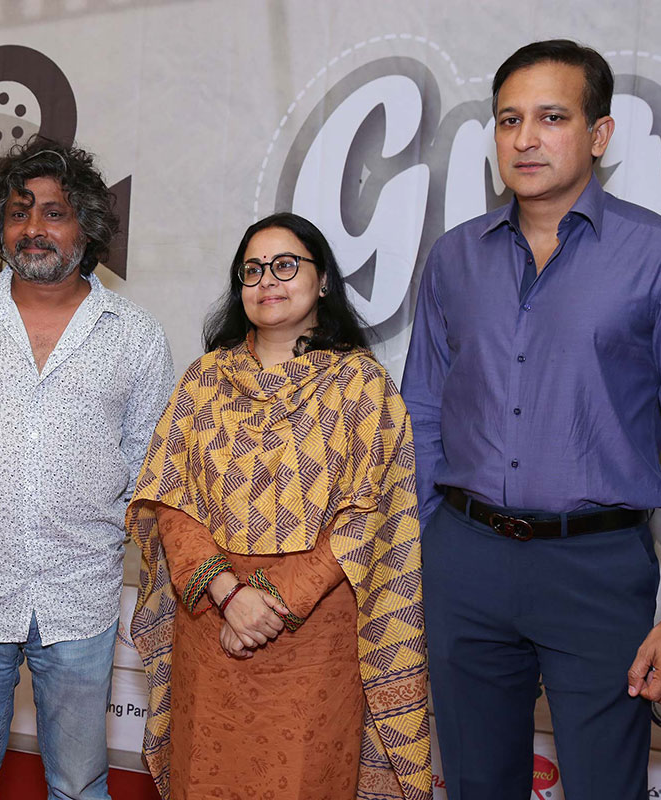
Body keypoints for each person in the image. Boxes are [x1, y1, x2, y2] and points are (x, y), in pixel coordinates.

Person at [401, 40, 661, 800]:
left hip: (597, 570)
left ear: (599, 134)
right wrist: (428, 542)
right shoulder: (453, 259)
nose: (525, 138)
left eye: (552, 117)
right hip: (464, 563)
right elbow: (422, 410)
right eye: (508, 120)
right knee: (474, 785)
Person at [0, 136, 173, 800]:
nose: (33, 228)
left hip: (79, 595)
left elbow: (146, 464)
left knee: (79, 787)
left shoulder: (134, 335)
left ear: (87, 226)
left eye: (55, 212)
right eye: (19, 212)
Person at [127, 212, 431, 800]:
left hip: (314, 639)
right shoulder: (203, 381)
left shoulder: (361, 386)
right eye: (252, 269)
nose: (267, 280)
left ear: (323, 281)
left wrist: (271, 603)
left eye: (285, 265)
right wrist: (230, 596)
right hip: (211, 624)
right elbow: (170, 498)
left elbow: (367, 516)